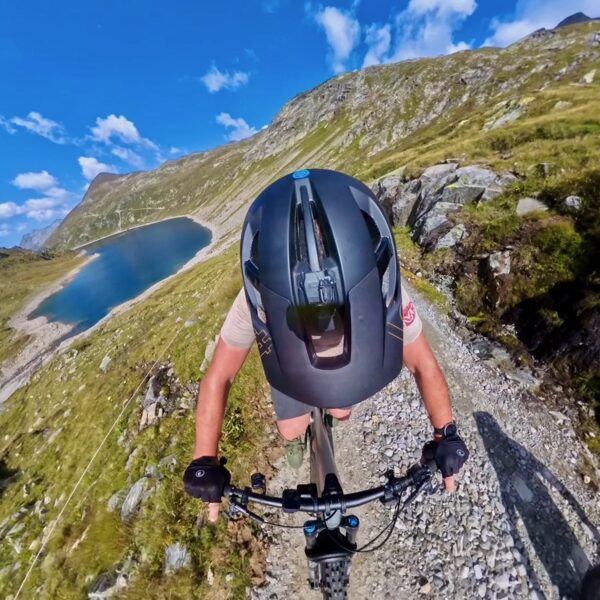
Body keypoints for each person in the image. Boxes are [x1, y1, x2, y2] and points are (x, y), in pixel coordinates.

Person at [184, 169, 469, 521]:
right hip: (292, 362)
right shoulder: (255, 300)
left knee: (340, 410)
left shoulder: (381, 290)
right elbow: (220, 376)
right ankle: (299, 435)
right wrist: (204, 459)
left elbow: (423, 363)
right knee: (291, 428)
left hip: (348, 364)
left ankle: (325, 415)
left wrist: (446, 433)